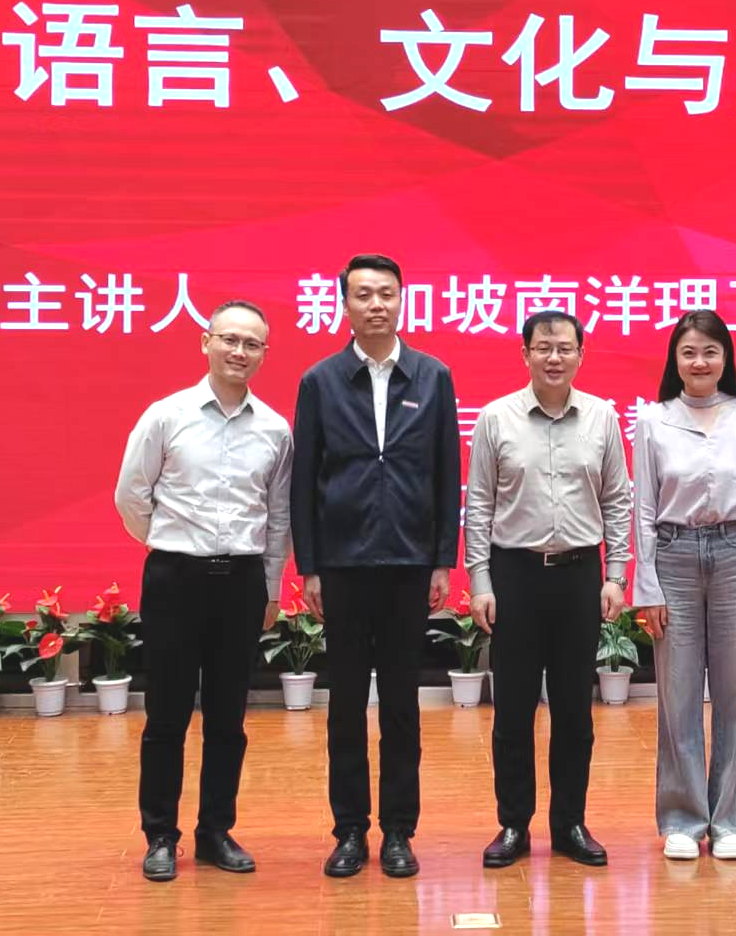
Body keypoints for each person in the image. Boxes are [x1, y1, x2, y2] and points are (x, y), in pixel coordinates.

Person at [290, 254, 461, 880]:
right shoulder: (321, 381)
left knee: (401, 705)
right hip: (342, 564)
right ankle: (349, 831)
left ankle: (398, 831)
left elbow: (447, 472)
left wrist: (442, 559)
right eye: (363, 294)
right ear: (345, 304)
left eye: (386, 293)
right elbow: (304, 480)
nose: (376, 304)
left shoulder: (433, 376)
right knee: (344, 706)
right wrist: (310, 566)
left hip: (409, 564)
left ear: (401, 299)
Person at [115, 299, 292, 883]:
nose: (239, 351)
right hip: (175, 579)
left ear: (264, 354)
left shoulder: (275, 429)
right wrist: (169, 542)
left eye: (252, 344)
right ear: (206, 342)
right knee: (166, 715)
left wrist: (270, 587)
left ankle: (216, 830)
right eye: (229, 339)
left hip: (241, 583)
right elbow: (131, 494)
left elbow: (278, 517)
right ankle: (160, 835)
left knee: (228, 718)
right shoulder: (166, 415)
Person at [464, 310, 632, 869]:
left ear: (581, 355)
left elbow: (617, 501)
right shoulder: (496, 418)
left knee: (574, 711)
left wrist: (615, 575)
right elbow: (479, 503)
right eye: (543, 348)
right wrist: (481, 580)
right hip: (515, 575)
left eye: (564, 348)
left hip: (579, 576)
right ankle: (513, 824)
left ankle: (570, 824)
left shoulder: (602, 417)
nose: (554, 357)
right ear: (525, 354)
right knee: (513, 711)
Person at [633, 310, 736, 861]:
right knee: (677, 694)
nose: (700, 362)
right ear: (674, 360)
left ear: (726, 358)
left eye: (710, 351)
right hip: (674, 555)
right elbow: (644, 506)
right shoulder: (654, 420)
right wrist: (647, 586)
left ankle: (729, 820)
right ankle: (683, 819)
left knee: (735, 692)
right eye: (689, 352)